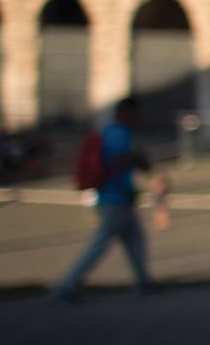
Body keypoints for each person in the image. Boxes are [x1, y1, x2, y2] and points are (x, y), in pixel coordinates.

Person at [50, 96, 153, 302]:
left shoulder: (110, 131)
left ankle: (144, 282)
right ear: (126, 113)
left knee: (135, 240)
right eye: (136, 113)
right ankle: (66, 285)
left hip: (120, 197)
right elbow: (118, 160)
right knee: (99, 244)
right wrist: (138, 159)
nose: (138, 118)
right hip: (113, 197)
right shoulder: (117, 132)